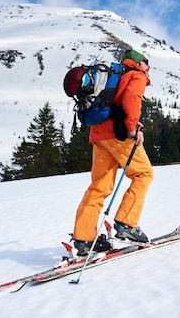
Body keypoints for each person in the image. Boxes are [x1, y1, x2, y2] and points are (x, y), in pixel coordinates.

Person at [71, 49, 154, 256]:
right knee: (143, 173)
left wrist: (133, 123)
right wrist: (133, 129)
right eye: (146, 62)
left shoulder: (115, 77)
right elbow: (132, 99)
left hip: (98, 135)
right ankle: (127, 223)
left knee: (99, 186)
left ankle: (83, 239)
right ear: (137, 63)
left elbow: (116, 106)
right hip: (118, 136)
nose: (148, 66)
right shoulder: (136, 75)